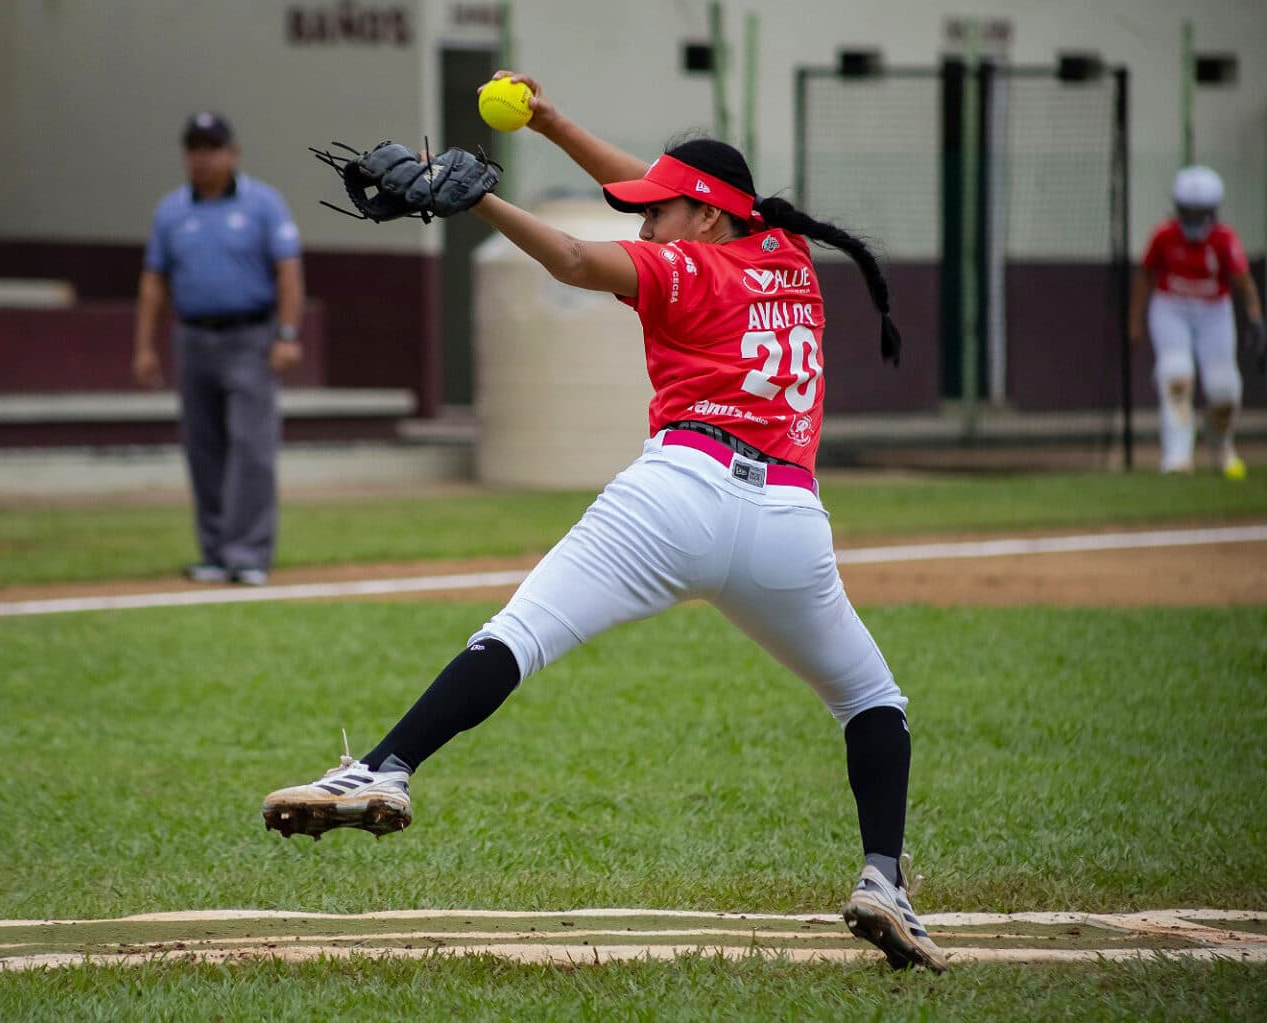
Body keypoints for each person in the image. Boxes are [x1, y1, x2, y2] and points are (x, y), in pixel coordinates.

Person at [263, 72, 947, 973]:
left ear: (703, 217)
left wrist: (481, 201)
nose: (643, 220)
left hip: (679, 494)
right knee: (872, 700)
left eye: (659, 211)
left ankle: (382, 768)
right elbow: (665, 188)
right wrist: (549, 123)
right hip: (788, 520)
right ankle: (883, 878)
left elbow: (577, 262)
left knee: (517, 634)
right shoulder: (783, 251)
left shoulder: (683, 262)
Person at [134, 111, 306, 584]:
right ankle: (214, 550)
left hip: (250, 336)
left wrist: (287, 334)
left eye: (211, 149)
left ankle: (248, 552)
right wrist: (145, 347)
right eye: (194, 149)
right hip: (192, 337)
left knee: (251, 447)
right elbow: (154, 281)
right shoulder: (171, 211)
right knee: (203, 446)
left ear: (232, 153)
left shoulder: (263, 204)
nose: (202, 159)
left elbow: (288, 271)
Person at [1129, 165, 1265, 478]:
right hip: (1171, 308)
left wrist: (1256, 320)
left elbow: (1244, 282)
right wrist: (1134, 321)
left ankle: (1222, 448)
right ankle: (1177, 459)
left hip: (1214, 312)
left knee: (1224, 387)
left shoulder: (1224, 239)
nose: (1192, 219)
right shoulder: (1164, 235)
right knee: (1176, 375)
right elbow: (1145, 277)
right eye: (1187, 212)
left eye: (1198, 212)